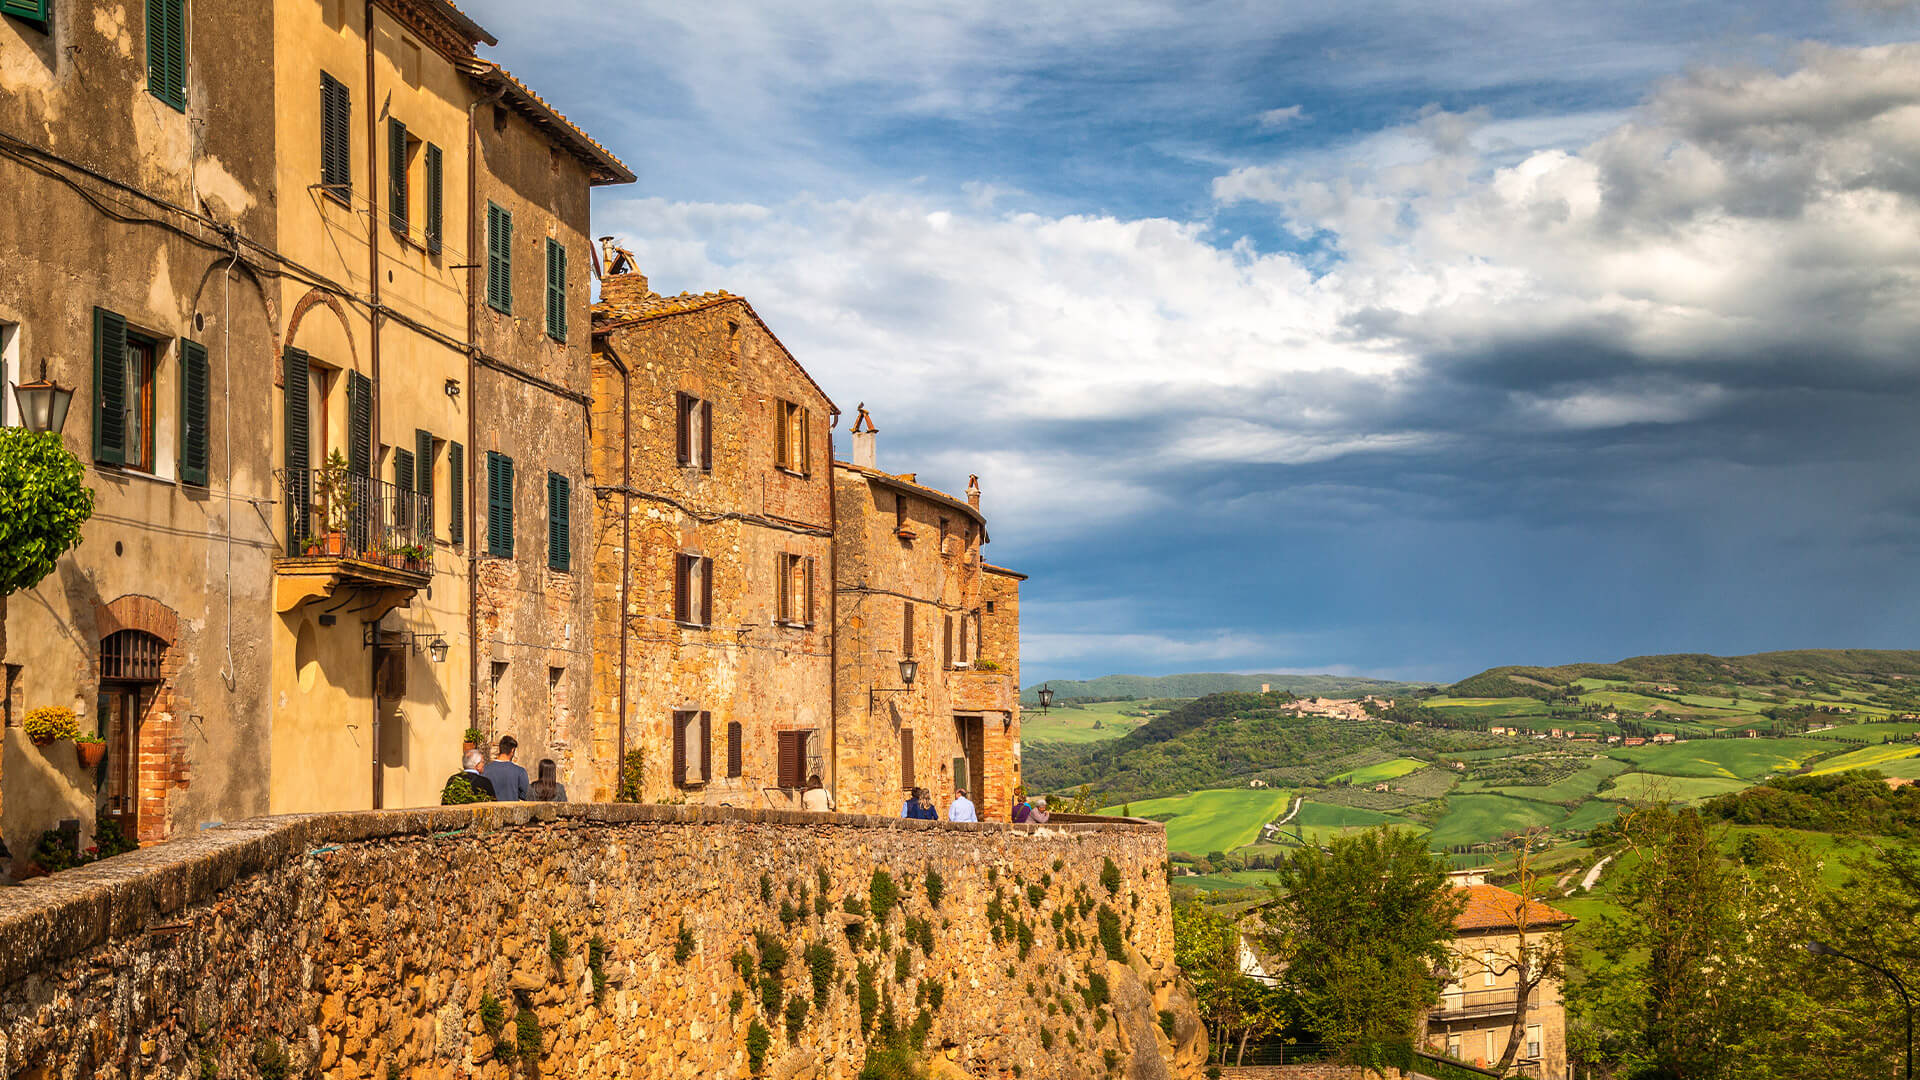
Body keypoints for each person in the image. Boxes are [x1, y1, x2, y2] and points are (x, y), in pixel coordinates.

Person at [485, 735, 530, 802]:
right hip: (512, 810)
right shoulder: (520, 771)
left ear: (500, 749)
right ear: (512, 750)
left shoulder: (486, 770)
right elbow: (526, 795)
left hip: (491, 810)